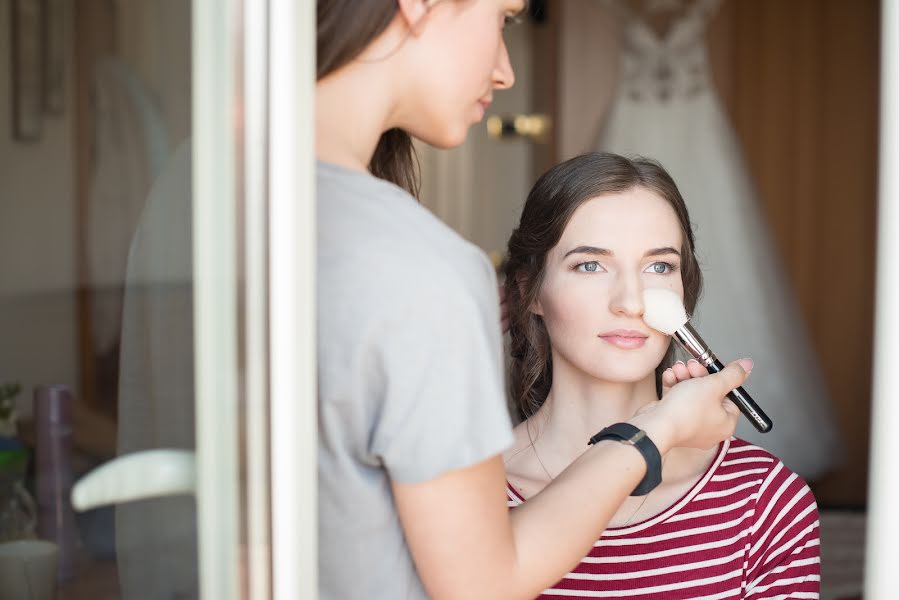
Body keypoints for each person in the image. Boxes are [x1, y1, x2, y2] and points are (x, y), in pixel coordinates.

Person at [316, 1, 751, 598]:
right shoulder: (414, 265)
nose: (505, 71)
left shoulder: (204, 193)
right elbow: (484, 584)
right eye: (505, 17)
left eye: (658, 265)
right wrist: (655, 432)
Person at [503, 152, 820, 598]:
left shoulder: (763, 501)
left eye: (659, 266)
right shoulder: (465, 495)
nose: (631, 302)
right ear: (528, 290)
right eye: (590, 265)